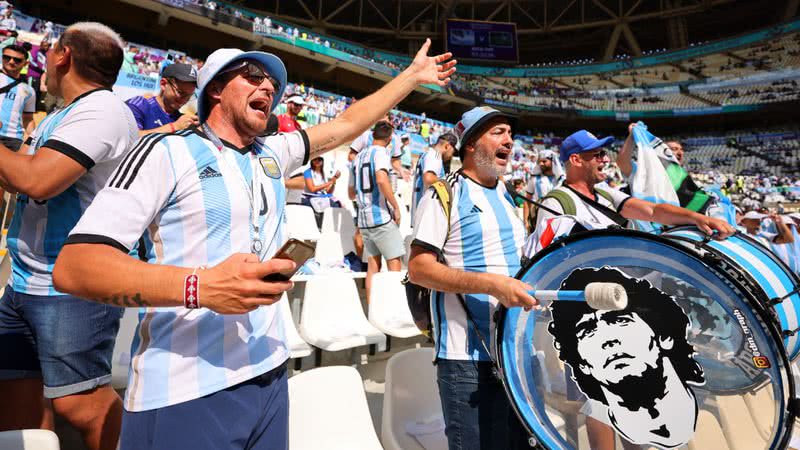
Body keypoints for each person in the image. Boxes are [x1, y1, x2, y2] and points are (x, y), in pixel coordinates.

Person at [53, 40, 455, 450]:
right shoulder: (164, 152)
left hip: (269, 373)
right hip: (185, 387)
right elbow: (75, 267)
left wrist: (410, 77)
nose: (268, 87)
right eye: (252, 76)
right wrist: (202, 287)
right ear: (215, 88)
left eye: (272, 82)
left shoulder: (272, 153)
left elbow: (345, 125)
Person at [0, 23, 139, 450]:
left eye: (48, 54)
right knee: (17, 400)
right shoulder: (65, 112)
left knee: (81, 406)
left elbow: (38, 180)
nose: (40, 65)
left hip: (68, 287)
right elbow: (18, 177)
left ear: (63, 55)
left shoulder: (102, 111)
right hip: (27, 280)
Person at [408, 106, 536, 450]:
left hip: (512, 351)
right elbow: (419, 269)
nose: (508, 139)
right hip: (466, 361)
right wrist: (493, 284)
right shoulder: (444, 194)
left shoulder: (507, 195)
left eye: (510, 133)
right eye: (497, 132)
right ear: (469, 144)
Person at [549, 267, 705, 449]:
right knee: (600, 401)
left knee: (636, 386)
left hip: (638, 273)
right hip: (592, 270)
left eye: (619, 321)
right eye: (589, 331)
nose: (608, 339)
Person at [533, 130, 734, 240]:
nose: (605, 159)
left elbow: (652, 211)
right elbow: (549, 262)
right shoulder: (555, 204)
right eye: (598, 154)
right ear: (576, 160)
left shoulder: (604, 193)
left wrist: (697, 218)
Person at [350, 121, 404, 302]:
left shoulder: (357, 157)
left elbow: (350, 193)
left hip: (364, 220)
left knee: (373, 266)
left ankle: (372, 307)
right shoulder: (381, 153)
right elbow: (381, 179)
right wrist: (396, 206)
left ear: (373, 135)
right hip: (380, 217)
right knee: (394, 263)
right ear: (389, 139)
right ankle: (393, 308)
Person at [125, 62, 198, 135]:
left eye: (189, 95)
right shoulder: (138, 106)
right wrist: (173, 127)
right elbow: (129, 138)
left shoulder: (181, 119)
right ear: (163, 84)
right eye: (180, 92)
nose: (185, 99)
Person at [410, 132, 456, 222]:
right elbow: (429, 178)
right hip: (426, 211)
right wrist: (449, 183)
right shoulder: (434, 155)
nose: (452, 156)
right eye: (453, 152)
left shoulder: (429, 154)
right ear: (447, 146)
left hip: (421, 209)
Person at [349, 114, 410, 181]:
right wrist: (362, 167)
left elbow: (395, 160)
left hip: (384, 176)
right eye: (380, 119)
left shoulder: (395, 139)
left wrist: (401, 170)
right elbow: (351, 155)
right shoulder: (366, 135)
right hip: (363, 177)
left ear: (390, 122)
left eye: (385, 121)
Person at [0, 43, 35, 151]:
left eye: (17, 60)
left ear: (26, 63)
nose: (11, 61)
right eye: (7, 57)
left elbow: (28, 119)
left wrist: (32, 141)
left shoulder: (29, 90)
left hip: (14, 140)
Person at [522, 149, 559, 231]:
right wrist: (526, 222)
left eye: (544, 161)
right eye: (540, 161)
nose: (541, 164)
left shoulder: (560, 180)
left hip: (557, 220)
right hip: (537, 220)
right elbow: (527, 201)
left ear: (552, 162)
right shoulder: (534, 179)